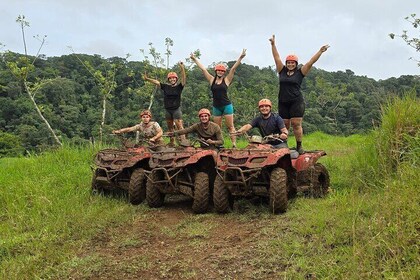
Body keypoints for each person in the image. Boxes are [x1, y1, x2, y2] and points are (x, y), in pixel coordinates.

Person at [270, 34, 329, 154]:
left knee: (296, 124)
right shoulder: (282, 70)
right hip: (283, 101)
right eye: (289, 62)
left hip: (296, 101)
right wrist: (273, 45)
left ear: (296, 64)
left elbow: (311, 62)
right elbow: (276, 58)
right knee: (284, 126)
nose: (290, 64)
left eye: (293, 63)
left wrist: (320, 51)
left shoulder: (300, 72)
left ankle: (299, 146)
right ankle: (283, 146)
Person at [190, 49, 246, 148]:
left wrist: (241, 57)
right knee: (217, 128)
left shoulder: (227, 80)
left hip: (227, 106)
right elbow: (203, 69)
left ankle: (234, 144)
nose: (220, 72)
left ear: (224, 72)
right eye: (218, 70)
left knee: (230, 126)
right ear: (216, 71)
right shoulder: (212, 79)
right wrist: (194, 59)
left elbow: (233, 69)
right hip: (216, 107)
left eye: (222, 71)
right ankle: (218, 145)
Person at [143, 62, 186, 146]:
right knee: (170, 127)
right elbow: (157, 82)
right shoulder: (166, 87)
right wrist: (147, 79)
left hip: (176, 109)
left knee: (179, 126)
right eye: (170, 78)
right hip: (168, 109)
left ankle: (184, 142)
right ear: (169, 80)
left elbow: (184, 79)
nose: (172, 80)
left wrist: (182, 68)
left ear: (176, 79)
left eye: (174, 78)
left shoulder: (179, 87)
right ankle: (172, 142)